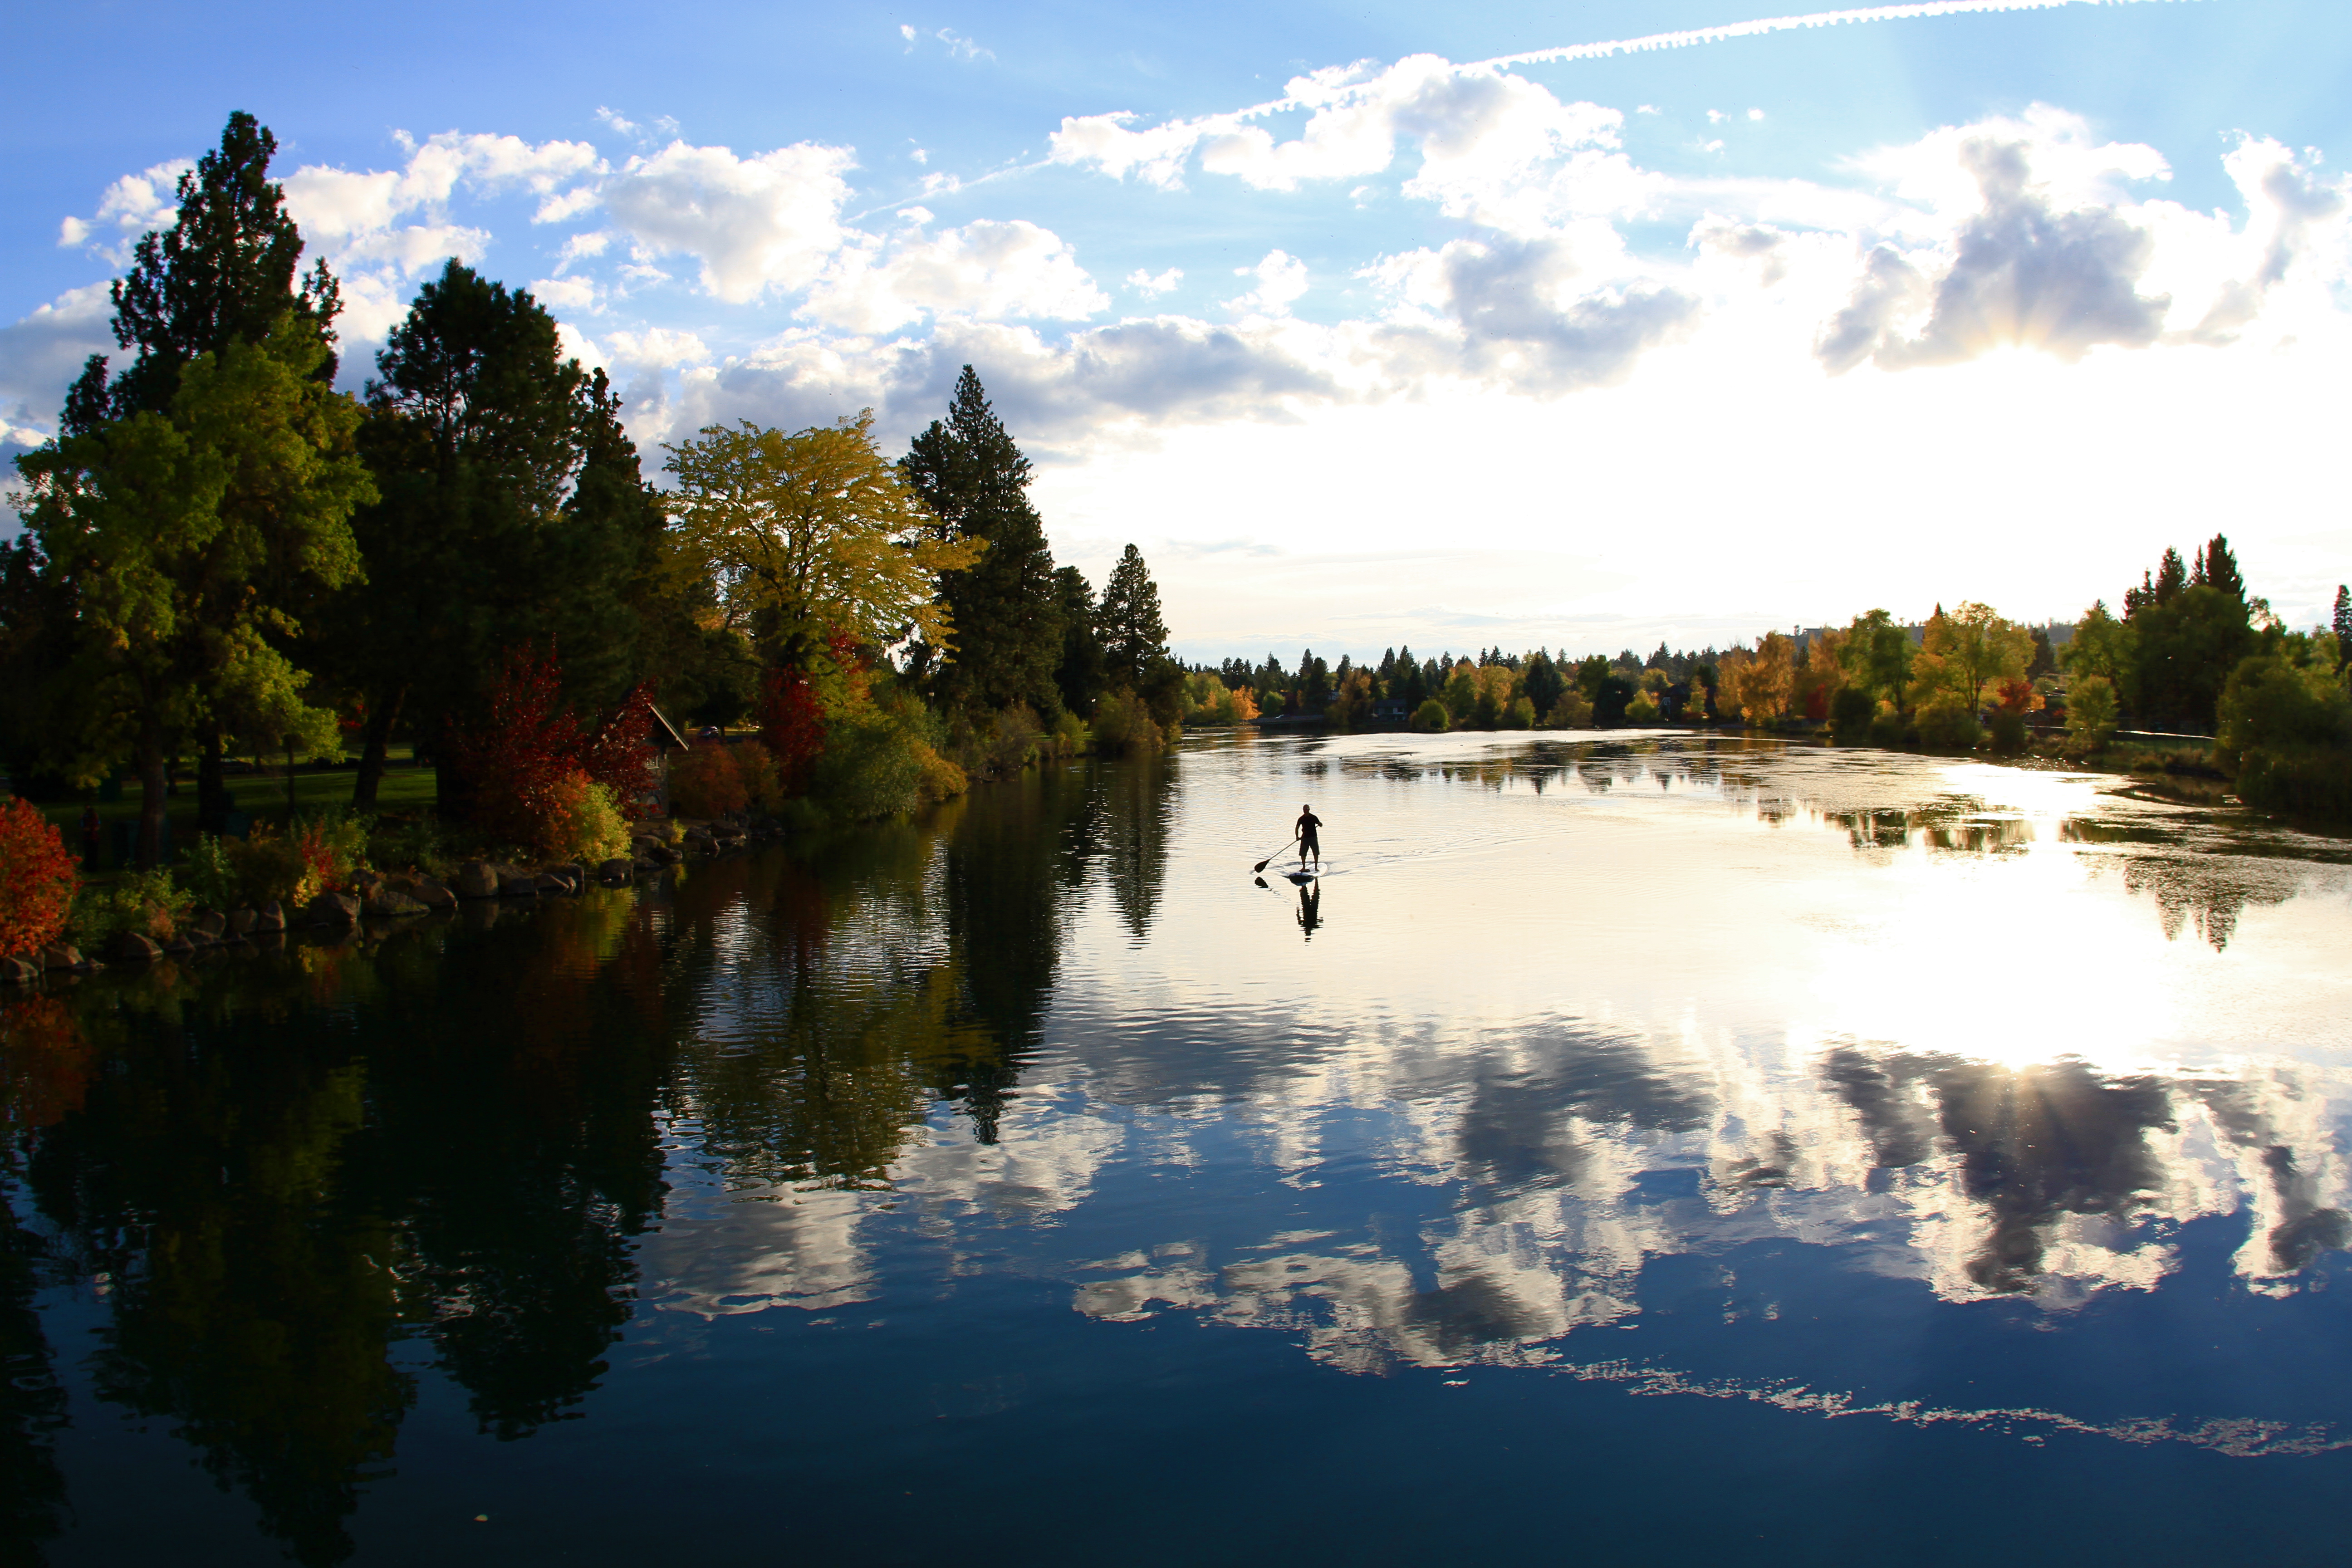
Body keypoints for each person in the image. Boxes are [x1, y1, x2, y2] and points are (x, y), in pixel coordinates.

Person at [1294, 803, 1322, 869]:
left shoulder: (1313, 817)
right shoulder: (1301, 819)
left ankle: (1316, 867)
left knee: (1316, 853)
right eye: (1304, 809)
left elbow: (1320, 824)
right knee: (1303, 854)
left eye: (1307, 809)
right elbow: (1297, 828)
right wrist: (1297, 837)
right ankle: (1303, 867)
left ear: (1309, 810)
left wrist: (1320, 824)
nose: (1305, 810)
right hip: (1305, 838)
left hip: (1313, 838)